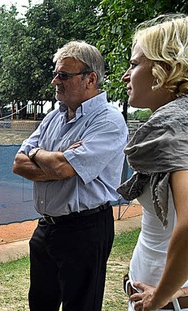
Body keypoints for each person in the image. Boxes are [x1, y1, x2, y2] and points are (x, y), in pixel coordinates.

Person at [12, 40, 128, 311]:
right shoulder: (54, 117)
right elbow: (18, 163)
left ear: (91, 79)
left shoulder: (108, 120)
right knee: (40, 304)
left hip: (85, 229)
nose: (55, 81)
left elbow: (63, 168)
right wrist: (56, 159)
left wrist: (38, 154)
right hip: (47, 228)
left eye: (63, 75)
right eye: (56, 73)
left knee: (81, 305)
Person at [118, 14, 188, 311]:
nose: (125, 75)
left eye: (134, 64)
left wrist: (160, 297)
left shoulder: (174, 126)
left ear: (165, 69)